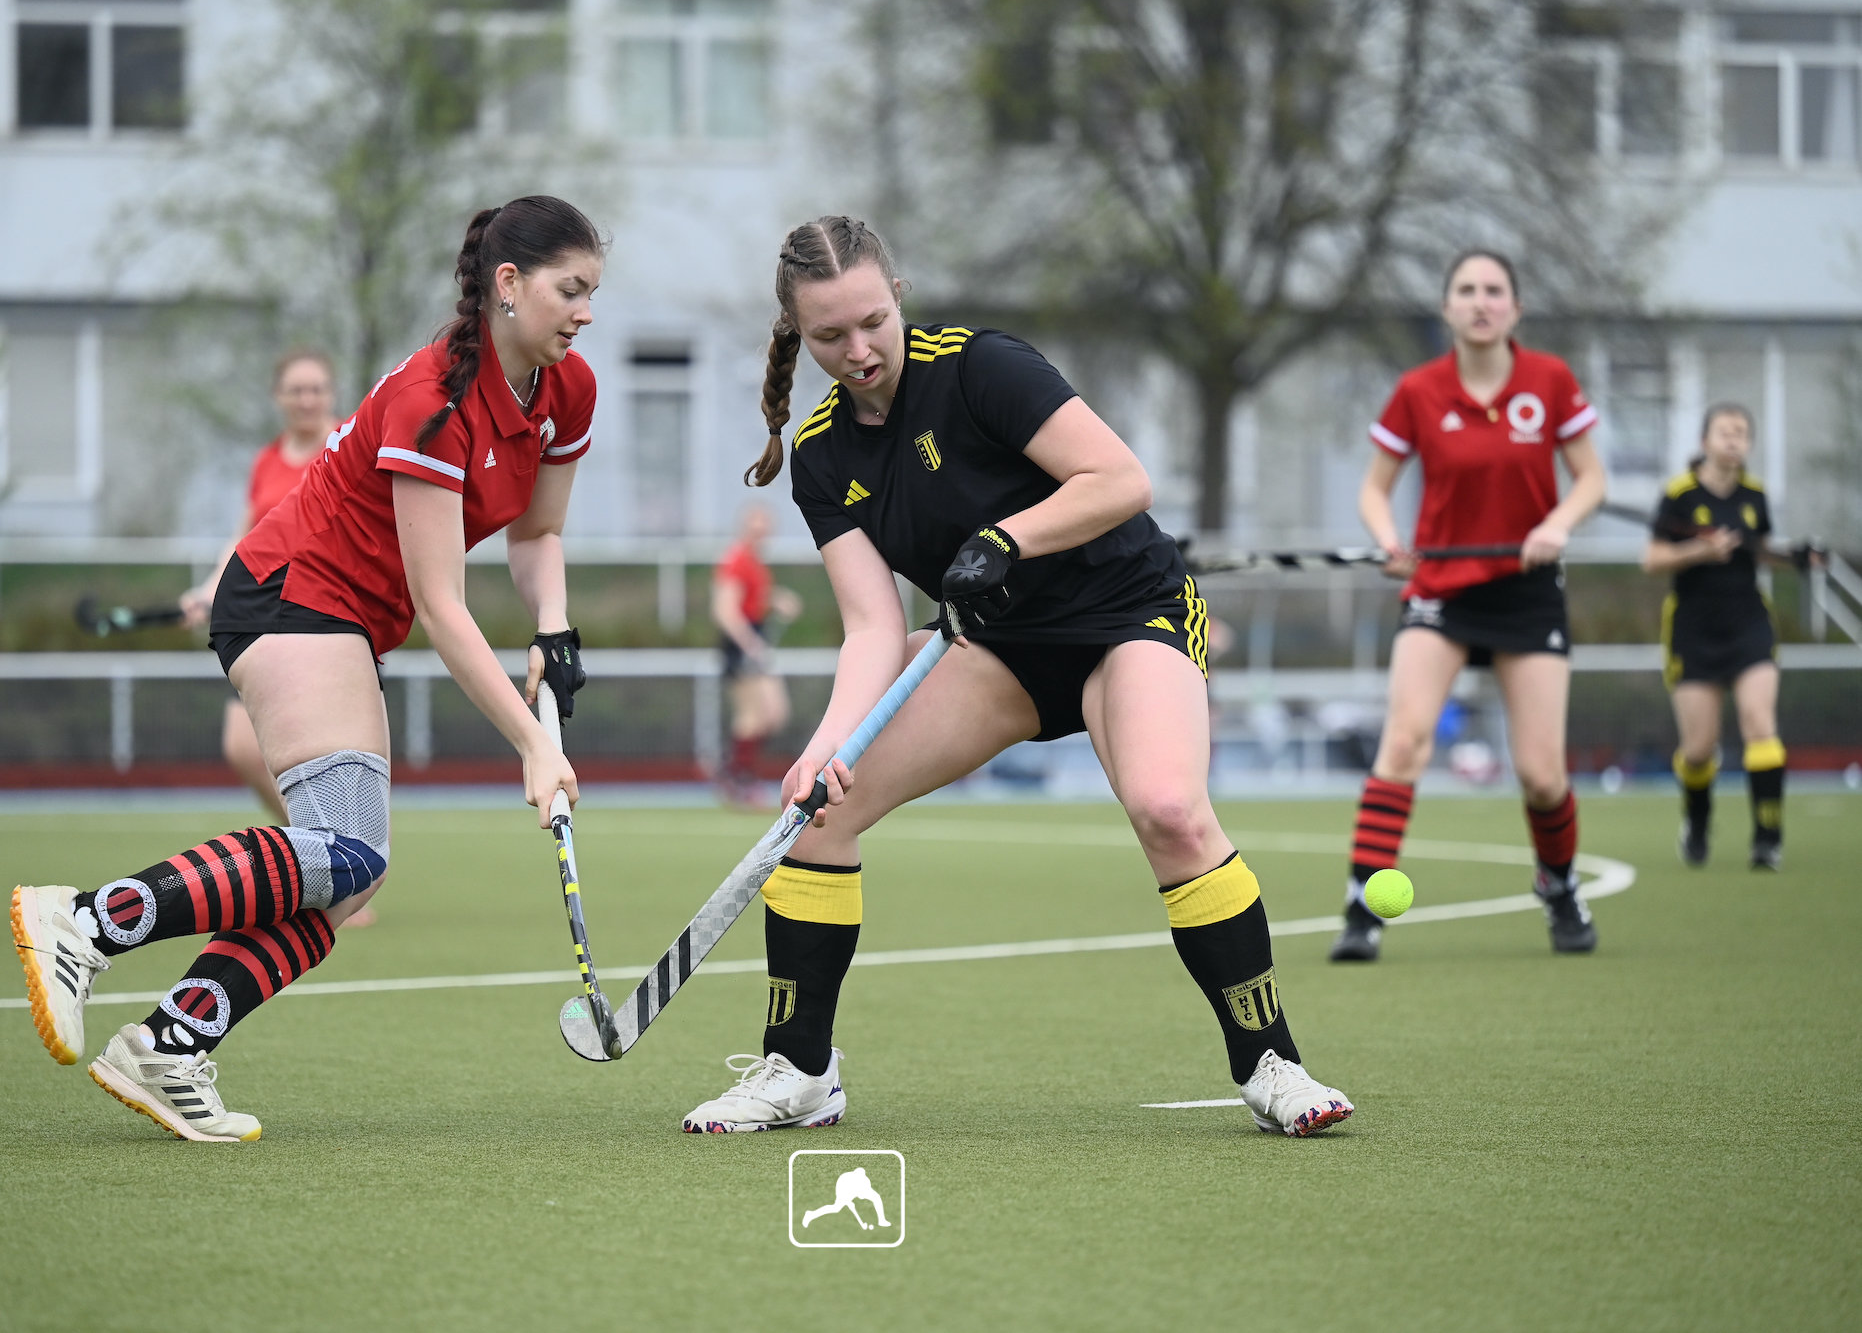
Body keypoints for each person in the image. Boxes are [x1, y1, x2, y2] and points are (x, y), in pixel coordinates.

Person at [680, 216, 1353, 1138]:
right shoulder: (825, 454)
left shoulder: (979, 366)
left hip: (1127, 614)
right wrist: (826, 745)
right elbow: (871, 625)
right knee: (822, 810)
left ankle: (1271, 1062)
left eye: (873, 321)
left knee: (1169, 809)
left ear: (898, 296)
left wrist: (1007, 538)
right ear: (798, 331)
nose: (859, 349)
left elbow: (1121, 479)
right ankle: (801, 1071)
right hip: (996, 647)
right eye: (830, 335)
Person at [8, 196, 603, 1140]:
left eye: (592, 292)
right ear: (508, 284)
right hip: (291, 590)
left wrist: (554, 626)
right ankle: (85, 921)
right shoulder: (431, 402)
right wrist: (532, 742)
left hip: (348, 619)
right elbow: (442, 605)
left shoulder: (567, 390)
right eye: (569, 290)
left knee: (351, 878)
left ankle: (170, 1044)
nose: (585, 312)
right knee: (350, 851)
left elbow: (538, 533)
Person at [1328, 250, 1606, 963]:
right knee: (1403, 743)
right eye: (1467, 290)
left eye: (1494, 290)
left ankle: (1559, 884)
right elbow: (1374, 489)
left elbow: (1591, 479)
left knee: (1542, 774)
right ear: (1447, 307)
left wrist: (1557, 525)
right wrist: (1389, 540)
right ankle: (1362, 905)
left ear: (1515, 307)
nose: (1481, 302)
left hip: (1527, 591)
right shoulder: (1418, 390)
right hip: (1441, 591)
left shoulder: (1550, 380)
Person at [180, 350, 388, 924]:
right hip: (263, 616)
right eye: (296, 389)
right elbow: (246, 536)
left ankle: (340, 869)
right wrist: (210, 588)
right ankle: (319, 860)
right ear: (279, 397)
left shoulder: (346, 445)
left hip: (328, 616)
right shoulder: (267, 461)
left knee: (339, 766)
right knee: (241, 747)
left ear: (331, 394)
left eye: (316, 388)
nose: (307, 399)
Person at [1644, 403, 1799, 870]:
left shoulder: (1755, 495)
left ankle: (1767, 839)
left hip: (1748, 623)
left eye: (1742, 433)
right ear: (1704, 440)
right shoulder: (1679, 495)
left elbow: (1758, 551)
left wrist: (1797, 559)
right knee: (1698, 750)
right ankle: (1697, 822)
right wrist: (1699, 551)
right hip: (1693, 630)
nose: (1734, 439)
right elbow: (1652, 559)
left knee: (1760, 725)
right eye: (1725, 431)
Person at [712, 502, 802, 803]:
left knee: (774, 714)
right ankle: (739, 780)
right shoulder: (736, 560)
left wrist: (776, 600)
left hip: (756, 640)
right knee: (751, 715)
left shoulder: (754, 562)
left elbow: (753, 596)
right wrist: (749, 644)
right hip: (742, 645)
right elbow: (725, 610)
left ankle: (733, 771)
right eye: (756, 527)